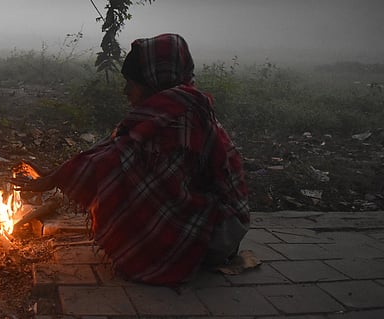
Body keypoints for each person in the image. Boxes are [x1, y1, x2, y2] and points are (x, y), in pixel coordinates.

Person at [13, 34, 249, 285]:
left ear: (154, 82)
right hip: (217, 224)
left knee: (126, 181)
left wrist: (55, 179)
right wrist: (57, 173)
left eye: (132, 83)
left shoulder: (179, 120)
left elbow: (114, 162)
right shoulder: (174, 108)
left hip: (215, 234)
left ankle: (162, 256)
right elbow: (112, 150)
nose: (125, 91)